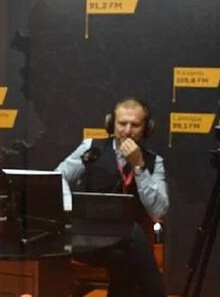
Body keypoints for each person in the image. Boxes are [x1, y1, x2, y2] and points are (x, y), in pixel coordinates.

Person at [56, 97, 169, 297]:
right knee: (132, 232)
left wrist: (139, 166)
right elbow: (58, 176)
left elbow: (158, 211)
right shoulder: (92, 149)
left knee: (121, 258)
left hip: (126, 246)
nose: (127, 131)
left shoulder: (154, 162)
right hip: (89, 239)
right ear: (111, 124)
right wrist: (68, 205)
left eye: (135, 125)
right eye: (122, 124)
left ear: (147, 128)